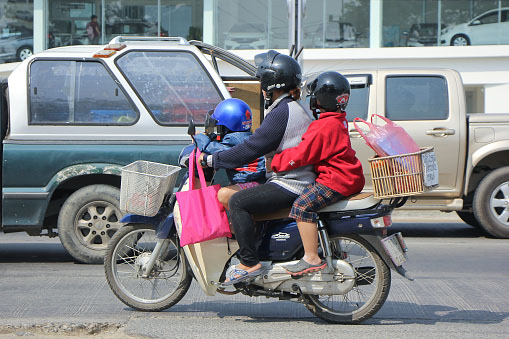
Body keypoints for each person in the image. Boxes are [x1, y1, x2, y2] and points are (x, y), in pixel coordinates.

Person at [199, 50, 315, 285]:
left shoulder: (283, 111)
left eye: (263, 83)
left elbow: (253, 147)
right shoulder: (290, 107)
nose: (262, 89)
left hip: (291, 183)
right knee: (237, 192)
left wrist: (214, 161)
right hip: (293, 178)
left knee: (238, 201)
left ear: (272, 84)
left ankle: (249, 262)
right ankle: (260, 246)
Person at [270, 71, 365, 276]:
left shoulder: (322, 126)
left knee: (302, 206)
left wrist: (275, 162)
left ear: (320, 98)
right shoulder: (339, 119)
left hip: (335, 180)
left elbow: (302, 154)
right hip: (349, 177)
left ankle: (311, 257)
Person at [182, 98, 265, 209]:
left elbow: (212, 149)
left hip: (251, 183)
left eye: (219, 127)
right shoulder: (244, 137)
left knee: (222, 194)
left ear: (226, 126)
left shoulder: (233, 140)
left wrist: (199, 137)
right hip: (254, 181)